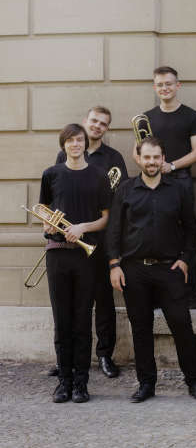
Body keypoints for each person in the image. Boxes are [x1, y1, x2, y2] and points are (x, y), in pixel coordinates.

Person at [107, 136, 196, 403]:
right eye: (147, 157)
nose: (151, 162)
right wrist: (114, 265)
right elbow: (114, 231)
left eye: (156, 157)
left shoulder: (178, 190)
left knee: (182, 325)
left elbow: (191, 228)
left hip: (169, 269)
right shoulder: (125, 190)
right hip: (133, 270)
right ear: (138, 158)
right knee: (141, 328)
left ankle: (194, 381)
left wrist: (186, 259)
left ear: (163, 159)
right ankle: (146, 384)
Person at [40, 124, 112, 403]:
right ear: (63, 145)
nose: (75, 144)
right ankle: (64, 383)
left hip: (86, 255)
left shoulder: (98, 175)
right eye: (69, 141)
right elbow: (44, 213)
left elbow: (106, 218)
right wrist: (49, 225)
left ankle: (81, 383)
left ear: (85, 143)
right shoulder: (51, 174)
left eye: (79, 140)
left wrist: (82, 227)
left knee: (83, 319)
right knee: (62, 320)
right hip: (57, 253)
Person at [53, 106, 127, 379]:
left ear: (106, 129)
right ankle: (67, 359)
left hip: (100, 238)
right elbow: (58, 192)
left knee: (103, 299)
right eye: (94, 121)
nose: (97, 126)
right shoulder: (66, 152)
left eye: (103, 124)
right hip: (69, 238)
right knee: (69, 301)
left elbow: (118, 202)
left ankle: (104, 356)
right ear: (85, 122)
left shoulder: (114, 158)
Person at [141, 66, 196, 308]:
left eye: (169, 84)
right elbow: (141, 153)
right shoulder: (147, 118)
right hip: (152, 182)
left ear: (178, 86)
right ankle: (159, 294)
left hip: (180, 180)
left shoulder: (191, 116)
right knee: (155, 233)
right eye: (160, 84)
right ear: (155, 87)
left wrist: (172, 166)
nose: (164, 88)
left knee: (186, 233)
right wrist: (155, 168)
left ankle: (190, 295)